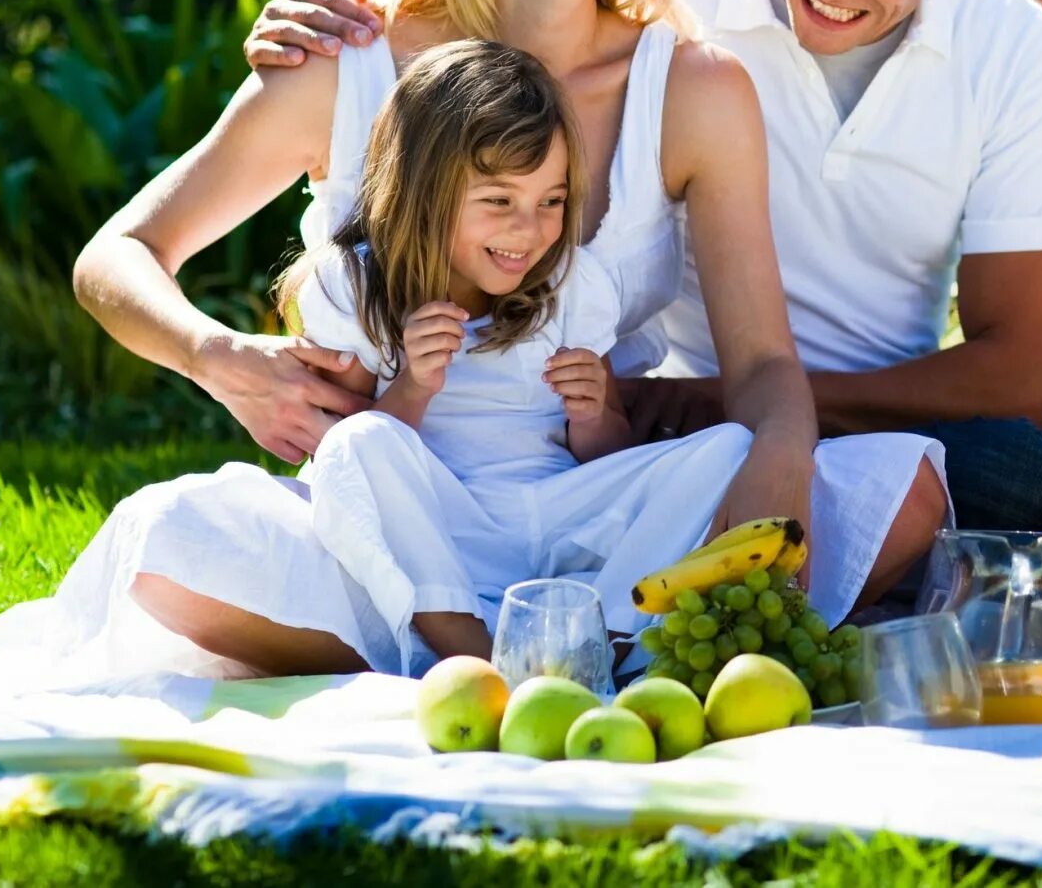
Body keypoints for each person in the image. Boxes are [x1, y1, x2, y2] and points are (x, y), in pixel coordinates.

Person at [39, 0, 944, 680]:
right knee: (171, 538)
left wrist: (781, 460)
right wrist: (220, 359)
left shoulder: (690, 88)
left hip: (596, 511)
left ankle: (503, 651)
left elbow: (762, 359)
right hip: (391, 514)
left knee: (903, 488)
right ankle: (579, 650)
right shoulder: (344, 65)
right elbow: (118, 256)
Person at [249, 0, 1042, 530]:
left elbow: (1017, 377)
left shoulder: (1002, 38)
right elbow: (487, 25)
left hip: (785, 411)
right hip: (673, 433)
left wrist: (723, 404)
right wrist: (322, 47)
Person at [267, 38, 835, 678]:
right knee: (356, 443)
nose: (528, 230)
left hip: (557, 513)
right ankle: (471, 651)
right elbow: (353, 469)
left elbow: (608, 456)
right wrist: (414, 387)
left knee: (727, 450)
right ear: (424, 190)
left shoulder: (569, 285)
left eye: (552, 202)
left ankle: (613, 639)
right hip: (444, 527)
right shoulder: (354, 286)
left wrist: (593, 415)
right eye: (499, 202)